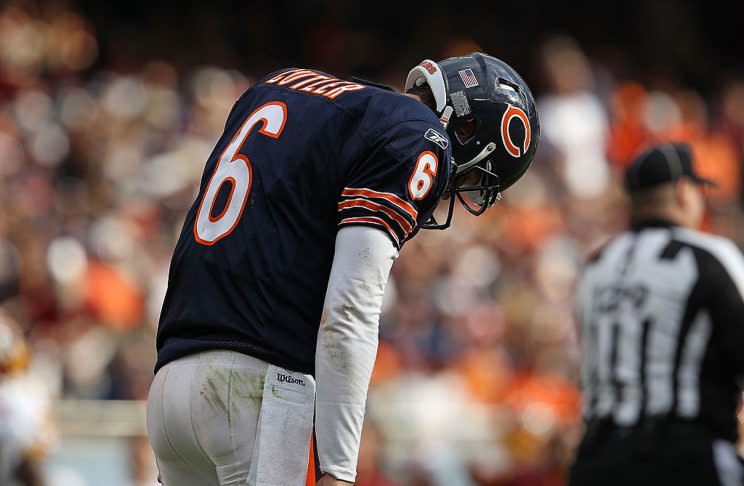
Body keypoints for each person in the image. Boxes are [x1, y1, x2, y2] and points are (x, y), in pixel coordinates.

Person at [146, 52, 539, 486]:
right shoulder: (418, 135)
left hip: (170, 385)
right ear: (466, 128)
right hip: (258, 387)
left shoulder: (281, 83)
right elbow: (350, 309)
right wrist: (340, 469)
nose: (453, 184)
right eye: (469, 177)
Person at [570, 143, 744, 486]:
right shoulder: (708, 256)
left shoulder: (596, 265)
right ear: (683, 192)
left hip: (596, 460)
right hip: (684, 456)